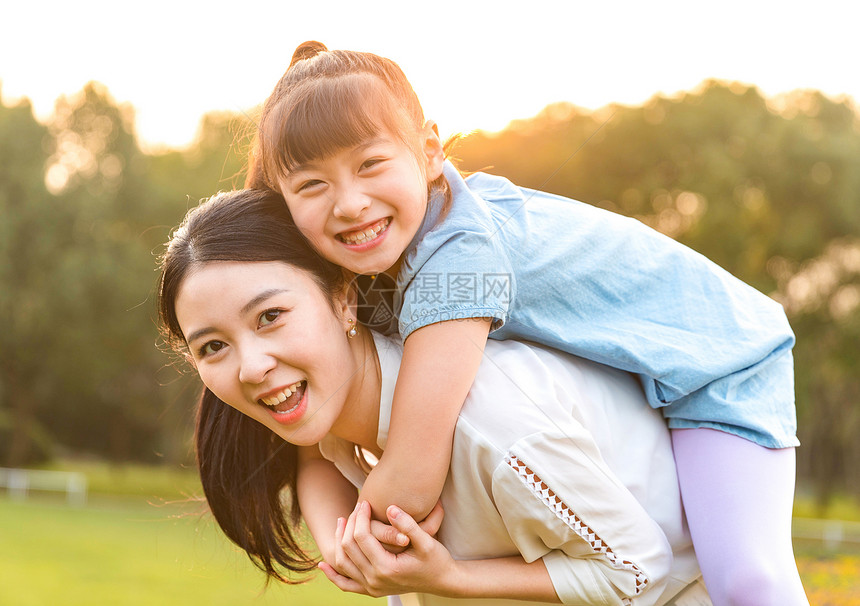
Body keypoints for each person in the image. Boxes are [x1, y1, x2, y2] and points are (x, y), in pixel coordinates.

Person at [246, 42, 808, 605]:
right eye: (311, 185)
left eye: (370, 164)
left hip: (716, 367)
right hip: (629, 382)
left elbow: (413, 474)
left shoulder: (461, 257)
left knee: (745, 581)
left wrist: (363, 545)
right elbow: (317, 441)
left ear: (430, 152)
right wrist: (338, 541)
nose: (348, 203)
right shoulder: (355, 265)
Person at [157, 188, 708, 605]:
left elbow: (640, 568)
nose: (252, 367)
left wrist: (451, 578)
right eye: (212, 347)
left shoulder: (493, 426)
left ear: (344, 299)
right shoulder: (345, 440)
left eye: (271, 316)